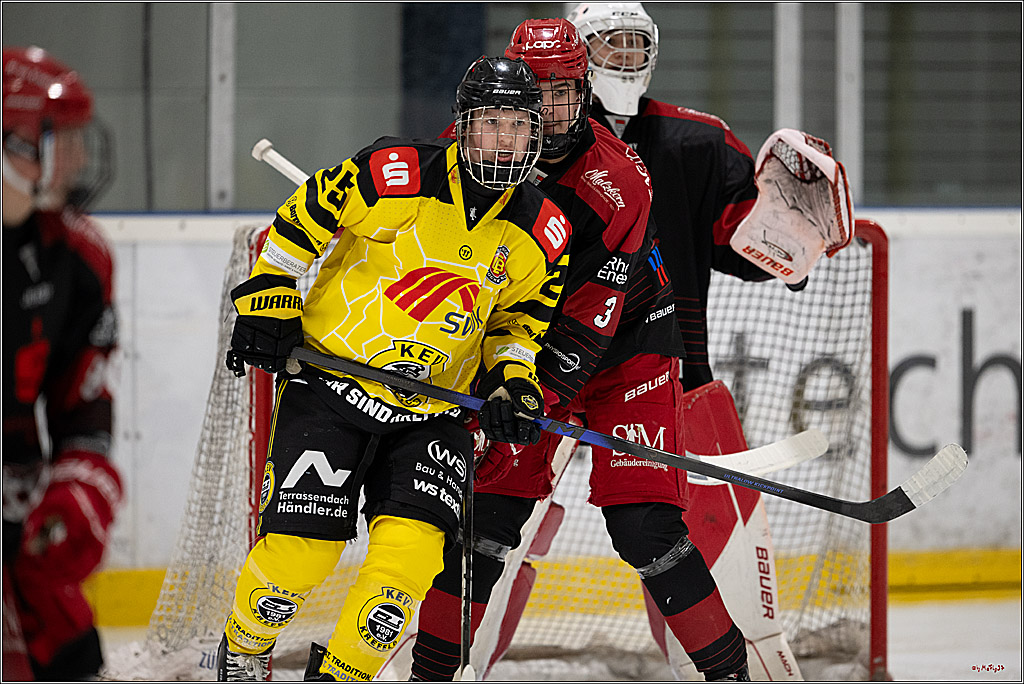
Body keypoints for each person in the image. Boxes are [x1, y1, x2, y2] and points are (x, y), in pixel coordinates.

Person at [405, 19, 752, 682]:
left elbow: (593, 318)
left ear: (584, 89)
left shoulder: (620, 180)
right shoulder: (469, 151)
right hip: (520, 348)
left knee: (645, 526)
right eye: (532, 90)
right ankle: (430, 676)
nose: (546, 107)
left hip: (629, 352)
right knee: (486, 523)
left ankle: (729, 674)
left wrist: (531, 396)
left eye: (562, 91)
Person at [215, 55, 570, 682]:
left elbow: (518, 327)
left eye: (515, 126)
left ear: (534, 135)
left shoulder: (543, 230)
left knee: (403, 571)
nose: (501, 139)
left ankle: (340, 676)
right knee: (300, 556)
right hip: (332, 386)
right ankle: (243, 650)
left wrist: (515, 383)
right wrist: (269, 296)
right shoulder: (392, 172)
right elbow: (302, 219)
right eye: (489, 123)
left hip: (433, 412)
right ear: (462, 126)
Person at [2, 45, 121, 681]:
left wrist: (79, 491)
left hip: (15, 503)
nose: (77, 158)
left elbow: (85, 412)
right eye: (58, 138)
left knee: (71, 654)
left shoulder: (79, 258)